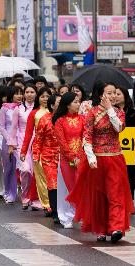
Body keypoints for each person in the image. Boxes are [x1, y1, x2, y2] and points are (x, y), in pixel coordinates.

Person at [67, 81, 134, 243]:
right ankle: (101, 229)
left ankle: (116, 227)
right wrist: (90, 158)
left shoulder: (119, 112)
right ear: (100, 95)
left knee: (116, 193)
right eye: (109, 93)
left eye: (114, 93)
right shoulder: (91, 113)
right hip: (96, 159)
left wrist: (111, 110)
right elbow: (87, 136)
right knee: (99, 195)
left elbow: (119, 128)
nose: (113, 96)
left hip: (115, 158)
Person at [52, 92, 84, 228]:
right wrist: (72, 157)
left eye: (79, 101)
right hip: (66, 159)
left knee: (80, 187)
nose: (78, 104)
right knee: (67, 187)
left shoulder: (82, 119)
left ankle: (79, 213)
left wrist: (81, 156)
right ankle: (66, 217)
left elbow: (85, 138)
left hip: (81, 158)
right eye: (75, 102)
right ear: (68, 104)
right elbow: (62, 142)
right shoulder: (60, 121)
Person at [20, 87, 52, 214]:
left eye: (47, 96)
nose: (45, 99)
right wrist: (23, 151)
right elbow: (28, 134)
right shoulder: (34, 113)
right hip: (39, 148)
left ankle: (53, 201)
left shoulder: (56, 111)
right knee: (41, 176)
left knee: (52, 177)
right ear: (38, 98)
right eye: (42, 96)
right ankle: (46, 204)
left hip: (55, 149)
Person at [9, 84, 40, 210]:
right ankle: (25, 196)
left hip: (38, 141)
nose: (29, 94)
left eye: (32, 92)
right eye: (27, 92)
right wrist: (11, 144)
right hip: (22, 142)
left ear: (36, 94)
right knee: (26, 170)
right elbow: (14, 128)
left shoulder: (39, 109)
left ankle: (36, 198)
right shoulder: (18, 109)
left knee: (36, 172)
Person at [33, 94, 61, 223]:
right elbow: (38, 139)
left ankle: (65, 210)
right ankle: (55, 212)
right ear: (52, 105)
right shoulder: (44, 119)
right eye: (58, 102)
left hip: (65, 156)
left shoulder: (66, 119)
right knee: (52, 183)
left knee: (64, 184)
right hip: (48, 156)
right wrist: (36, 155)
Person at [115, 86, 135, 203]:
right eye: (113, 94)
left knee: (130, 175)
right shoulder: (110, 112)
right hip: (114, 148)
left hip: (130, 149)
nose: (115, 96)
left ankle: (130, 201)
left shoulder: (134, 113)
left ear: (125, 96)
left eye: (118, 94)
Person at [0, 86, 23, 204]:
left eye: (20, 93)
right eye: (16, 93)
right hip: (8, 141)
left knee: (21, 168)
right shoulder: (5, 108)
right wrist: (9, 140)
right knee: (8, 168)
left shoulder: (23, 108)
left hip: (22, 140)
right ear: (11, 95)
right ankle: (8, 191)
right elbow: (1, 127)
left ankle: (20, 193)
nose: (19, 96)